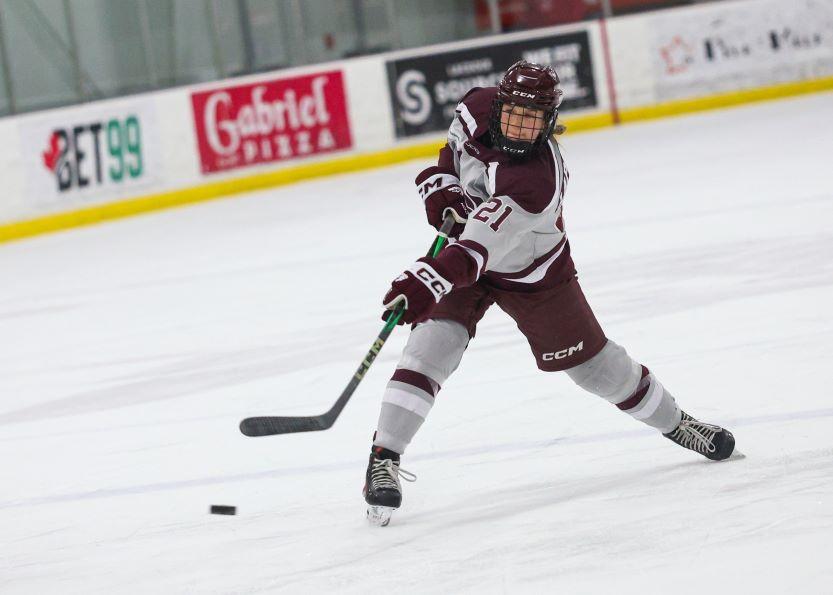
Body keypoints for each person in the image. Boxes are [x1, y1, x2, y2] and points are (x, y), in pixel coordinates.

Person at [363, 60, 736, 526]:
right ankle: (384, 458)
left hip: (531, 270)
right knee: (430, 347)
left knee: (598, 370)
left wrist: (427, 280)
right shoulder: (474, 108)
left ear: (549, 124)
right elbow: (451, 153)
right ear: (497, 105)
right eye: (513, 114)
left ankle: (679, 424)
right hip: (465, 254)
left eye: (532, 120)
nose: (519, 128)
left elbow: (477, 249)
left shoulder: (536, 182)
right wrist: (443, 188)